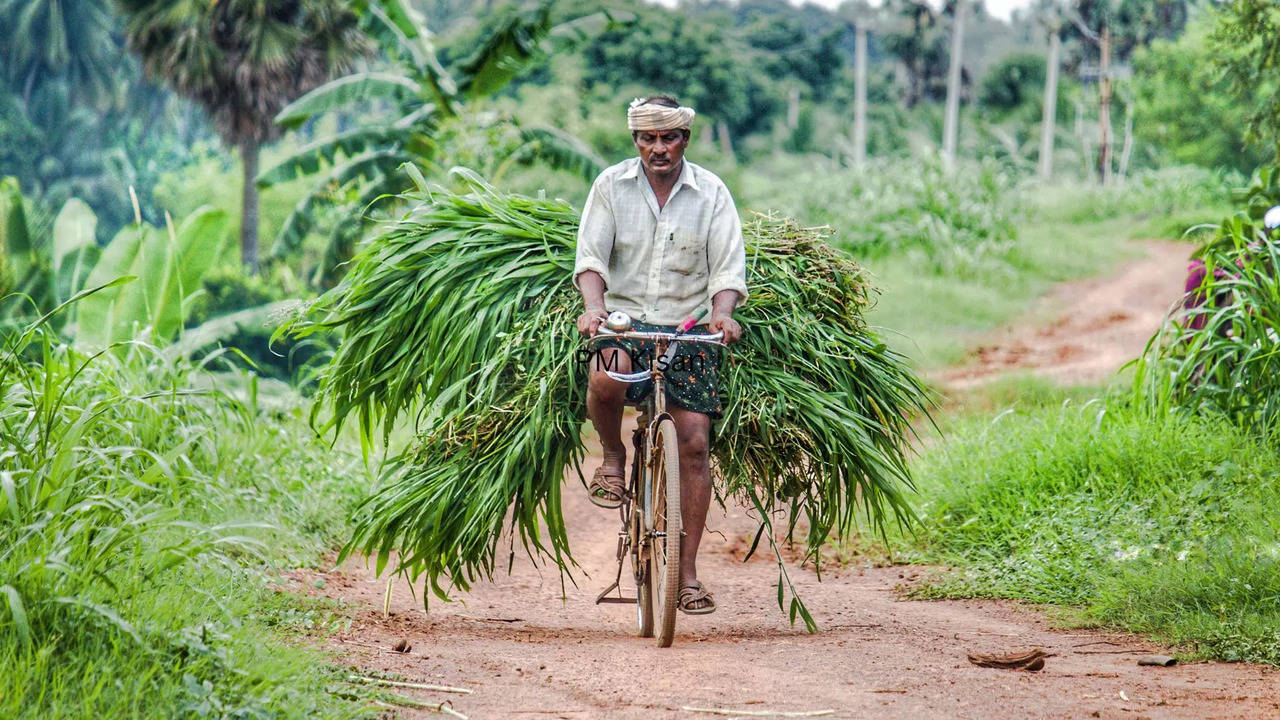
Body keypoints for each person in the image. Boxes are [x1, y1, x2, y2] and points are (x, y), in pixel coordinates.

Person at [573, 95, 748, 615]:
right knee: (607, 377)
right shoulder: (610, 185)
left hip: (688, 328)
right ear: (635, 142)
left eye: (668, 138)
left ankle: (687, 574)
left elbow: (727, 268)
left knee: (694, 441)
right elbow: (591, 258)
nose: (658, 148)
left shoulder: (712, 192)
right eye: (647, 139)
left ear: (685, 140)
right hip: (625, 321)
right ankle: (612, 455)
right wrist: (594, 309)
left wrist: (723, 313)